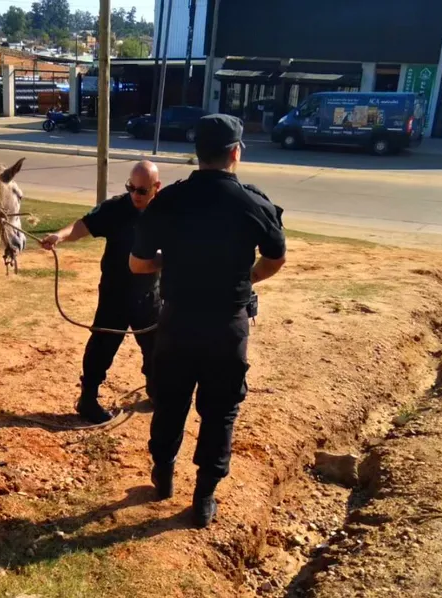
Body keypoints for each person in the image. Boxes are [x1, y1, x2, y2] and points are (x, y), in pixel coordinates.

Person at [129, 114, 287, 528]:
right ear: (235, 153)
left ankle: (162, 474)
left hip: (177, 322)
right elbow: (275, 260)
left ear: (196, 154)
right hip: (227, 325)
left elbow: (139, 263)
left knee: (170, 400)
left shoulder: (169, 200)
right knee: (219, 410)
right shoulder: (253, 202)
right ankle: (203, 499)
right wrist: (244, 276)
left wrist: (174, 261)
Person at [41, 161, 163, 424]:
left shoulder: (166, 212)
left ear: (156, 187)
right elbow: (83, 226)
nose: (135, 195)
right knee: (101, 346)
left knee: (156, 347)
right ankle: (88, 399)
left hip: (149, 294)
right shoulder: (116, 208)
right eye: (131, 188)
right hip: (115, 293)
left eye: (142, 191)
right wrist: (58, 236)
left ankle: (156, 390)